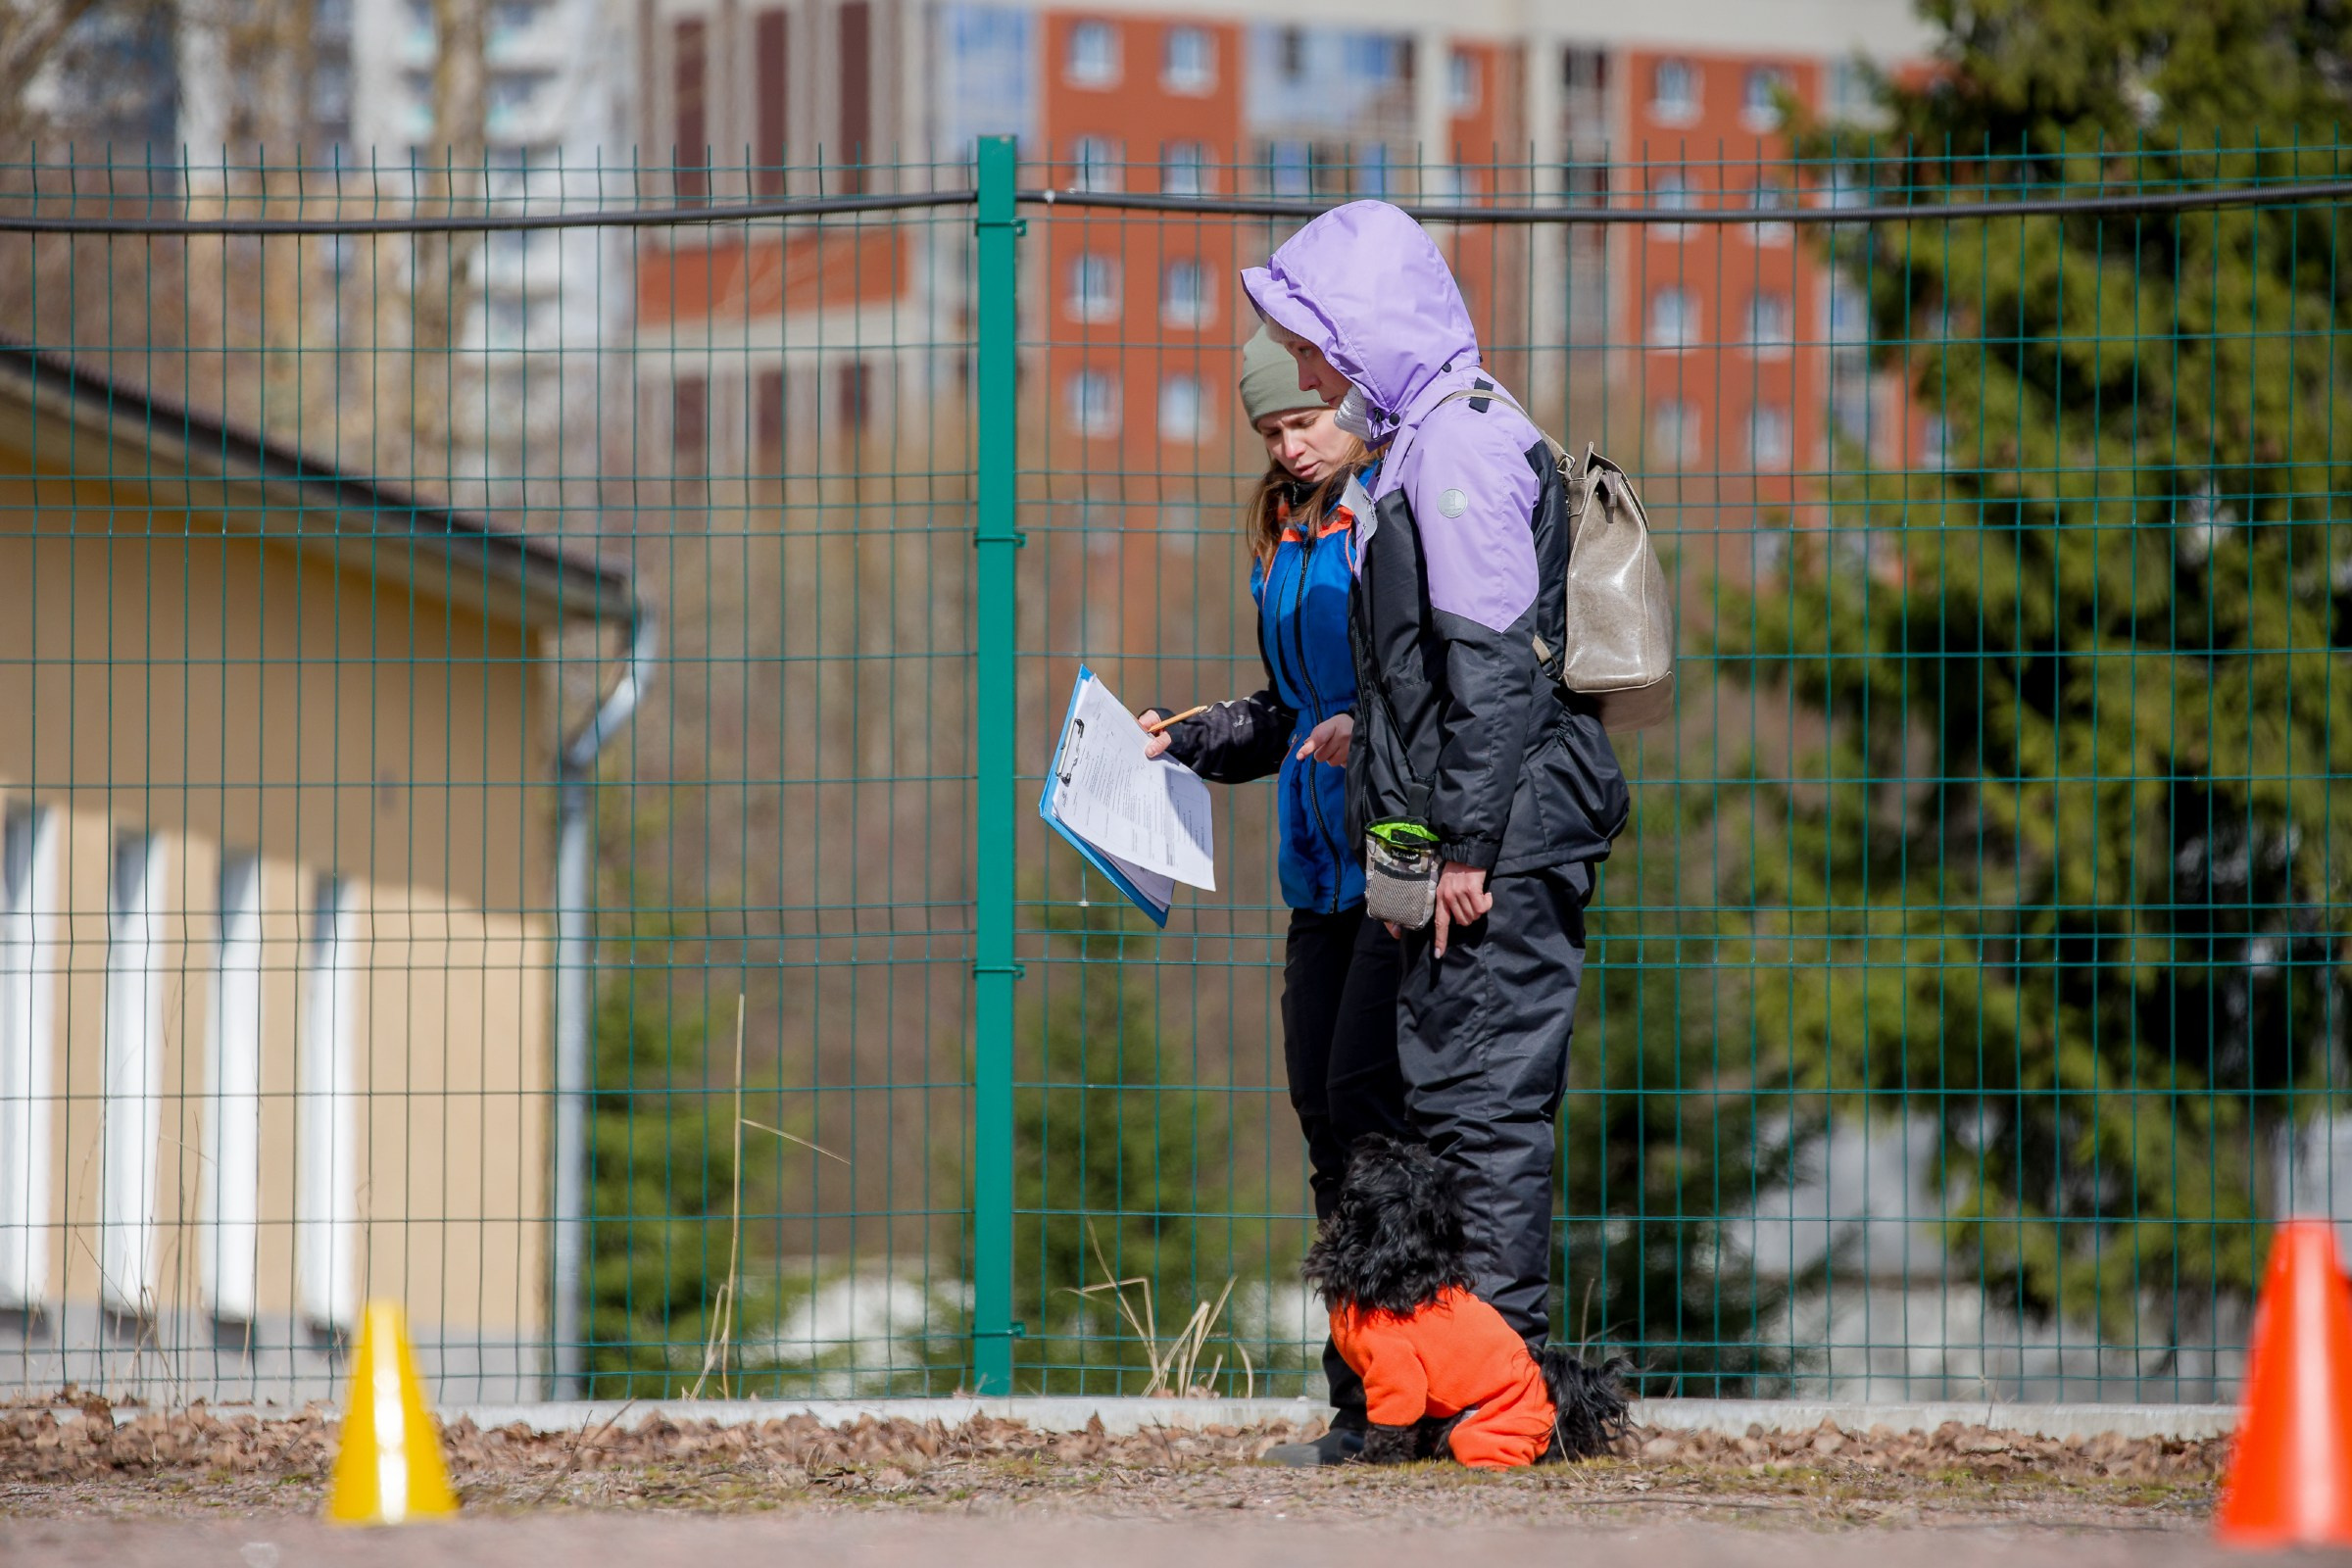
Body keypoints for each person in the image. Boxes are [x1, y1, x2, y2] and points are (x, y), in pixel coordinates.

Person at [1239, 201, 1632, 1359]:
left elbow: (1498, 663)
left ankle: (1504, 1401)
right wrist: (1379, 745)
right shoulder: (1418, 441)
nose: (1306, 369)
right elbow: (1440, 671)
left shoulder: (1457, 443)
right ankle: (1430, 1387)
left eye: (1316, 344)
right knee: (1413, 1103)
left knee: (1484, 1118)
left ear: (1368, 333)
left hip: (1499, 842)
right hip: (1456, 833)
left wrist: (1463, 846)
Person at [1136, 326, 1408, 1465]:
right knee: (1322, 1127)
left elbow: (1426, 680)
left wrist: (1371, 733)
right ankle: (1357, 1399)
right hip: (1315, 873)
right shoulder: (1286, 533)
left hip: (1394, 853)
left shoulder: (1388, 516)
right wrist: (1191, 739)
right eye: (1268, 433)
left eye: (1299, 423)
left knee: (1374, 1123)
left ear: (1345, 404)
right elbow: (1291, 708)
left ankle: (1407, 1398)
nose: (1287, 449)